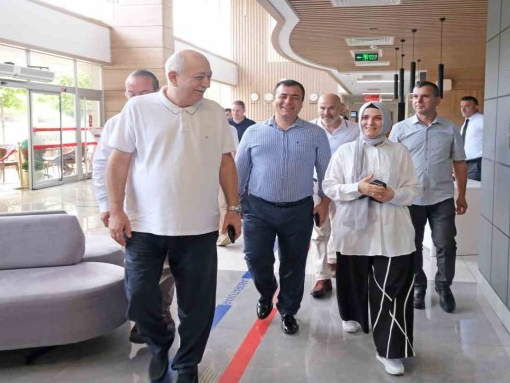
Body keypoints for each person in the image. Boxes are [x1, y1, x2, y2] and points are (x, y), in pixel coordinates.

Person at [107, 50, 241, 383]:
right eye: (200, 77)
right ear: (173, 77)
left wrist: (233, 209)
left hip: (199, 227)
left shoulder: (213, 112)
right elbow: (118, 161)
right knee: (139, 297)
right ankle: (159, 343)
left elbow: (226, 162)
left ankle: (186, 363)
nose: (206, 83)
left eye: (209, 77)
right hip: (144, 225)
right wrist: (116, 210)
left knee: (197, 305)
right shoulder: (138, 109)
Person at [323, 102, 419, 376]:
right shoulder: (345, 151)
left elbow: (413, 189)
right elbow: (329, 186)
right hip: (353, 231)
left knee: (391, 290)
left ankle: (389, 350)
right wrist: (358, 187)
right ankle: (353, 314)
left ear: (386, 122)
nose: (370, 123)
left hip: (392, 231)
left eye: (377, 118)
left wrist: (393, 195)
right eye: (365, 117)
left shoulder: (399, 152)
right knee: (352, 279)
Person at [236, 79, 331, 335]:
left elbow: (327, 173)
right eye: (283, 95)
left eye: (295, 97)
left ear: (302, 102)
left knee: (294, 263)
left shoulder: (315, 134)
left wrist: (324, 202)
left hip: (298, 210)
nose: (288, 101)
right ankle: (267, 291)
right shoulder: (253, 132)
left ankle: (288, 310)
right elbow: (240, 172)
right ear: (274, 98)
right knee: (256, 258)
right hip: (258, 209)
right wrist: (235, 207)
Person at [91, 69, 176, 345]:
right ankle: (145, 316)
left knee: (165, 268)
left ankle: (159, 315)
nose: (136, 99)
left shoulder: (171, 120)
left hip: (163, 209)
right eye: (131, 94)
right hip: (128, 210)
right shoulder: (116, 123)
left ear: (157, 91)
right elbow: (101, 165)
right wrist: (108, 205)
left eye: (143, 93)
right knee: (137, 269)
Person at [390, 81, 468, 313]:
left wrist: (462, 195)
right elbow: (389, 163)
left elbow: (459, 163)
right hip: (410, 198)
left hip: (441, 197)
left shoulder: (450, 128)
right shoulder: (400, 129)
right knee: (411, 245)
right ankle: (418, 284)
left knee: (446, 243)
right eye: (415, 96)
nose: (418, 101)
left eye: (424, 96)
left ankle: (444, 286)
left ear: (437, 100)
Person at [309, 93, 360, 298]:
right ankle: (322, 277)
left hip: (343, 187)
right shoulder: (309, 128)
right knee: (319, 231)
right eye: (322, 108)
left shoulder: (355, 130)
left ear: (341, 108)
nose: (326, 112)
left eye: (331, 108)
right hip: (316, 186)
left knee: (343, 229)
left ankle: (335, 260)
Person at [460, 96, 484, 181]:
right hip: (466, 163)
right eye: (461, 106)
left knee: (473, 188)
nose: (463, 109)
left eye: (467, 106)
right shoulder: (467, 121)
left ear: (476, 108)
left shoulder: (482, 120)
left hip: (477, 163)